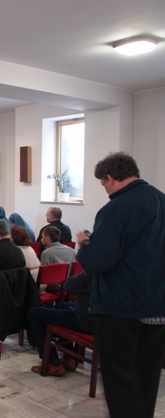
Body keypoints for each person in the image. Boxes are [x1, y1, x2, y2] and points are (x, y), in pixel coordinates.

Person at [75, 152, 165, 418]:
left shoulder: (117, 207)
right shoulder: (161, 200)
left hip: (121, 306)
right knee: (147, 377)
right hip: (157, 304)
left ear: (110, 178)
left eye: (103, 183)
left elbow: (99, 260)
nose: (105, 189)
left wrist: (85, 244)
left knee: (121, 381)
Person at [28, 270, 93, 377]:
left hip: (85, 320)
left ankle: (52, 363)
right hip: (102, 320)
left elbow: (69, 285)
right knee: (62, 305)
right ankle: (68, 358)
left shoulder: (95, 272)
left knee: (34, 313)